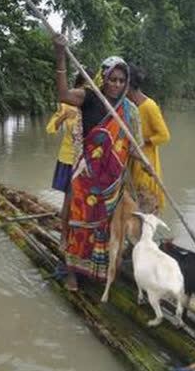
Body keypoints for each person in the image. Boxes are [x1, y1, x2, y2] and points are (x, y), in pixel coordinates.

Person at [53, 34, 142, 291]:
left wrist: (144, 164)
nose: (116, 84)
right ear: (103, 77)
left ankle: (94, 270)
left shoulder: (129, 111)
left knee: (102, 227)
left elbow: (133, 147)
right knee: (80, 224)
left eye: (121, 80)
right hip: (86, 176)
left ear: (126, 83)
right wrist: (60, 55)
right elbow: (62, 93)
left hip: (112, 181)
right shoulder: (90, 98)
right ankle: (72, 271)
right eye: (112, 79)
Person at [126, 64, 171, 214]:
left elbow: (164, 135)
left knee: (145, 203)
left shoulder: (149, 106)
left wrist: (143, 142)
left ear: (128, 86)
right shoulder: (129, 106)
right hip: (131, 160)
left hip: (145, 162)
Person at [46, 72, 86, 230]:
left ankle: (75, 224)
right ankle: (66, 228)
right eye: (83, 88)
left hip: (86, 159)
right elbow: (50, 129)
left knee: (82, 195)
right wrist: (63, 117)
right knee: (70, 194)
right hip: (69, 157)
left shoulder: (93, 105)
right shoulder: (67, 105)